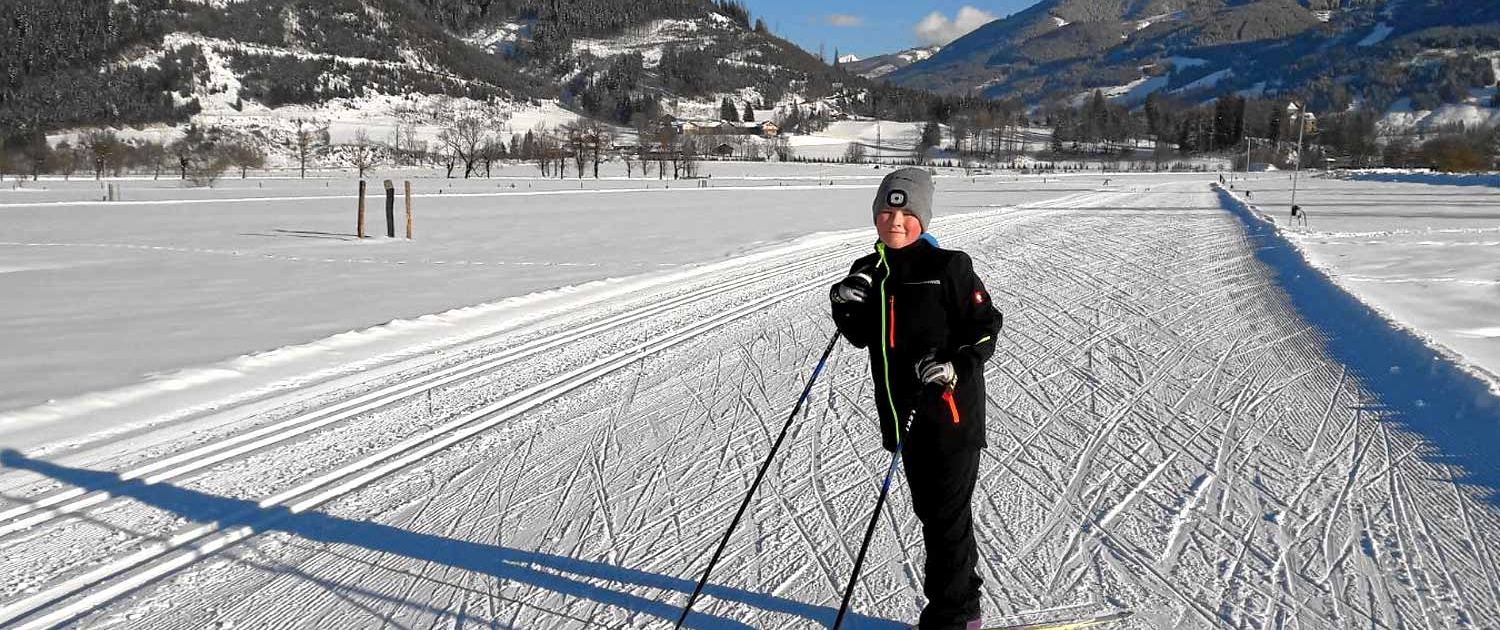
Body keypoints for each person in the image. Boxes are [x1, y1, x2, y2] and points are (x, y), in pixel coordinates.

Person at [829, 168, 1003, 630]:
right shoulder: (869, 271)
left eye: (906, 211)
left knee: (946, 519)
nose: (895, 220)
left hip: (950, 418)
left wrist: (954, 366)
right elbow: (859, 334)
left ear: (923, 217)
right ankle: (963, 597)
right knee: (934, 516)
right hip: (902, 419)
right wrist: (843, 301)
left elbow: (985, 329)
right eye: (887, 210)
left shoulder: (950, 266)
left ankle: (953, 617)